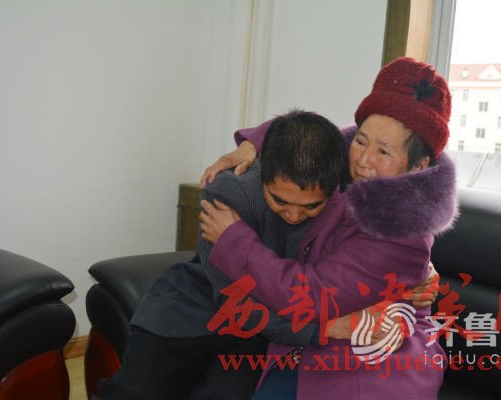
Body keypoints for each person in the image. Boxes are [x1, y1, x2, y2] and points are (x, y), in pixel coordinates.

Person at [97, 110, 434, 400]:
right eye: (279, 201)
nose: (294, 216)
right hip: (197, 306)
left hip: (258, 334)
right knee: (135, 391)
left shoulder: (348, 195)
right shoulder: (228, 193)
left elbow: (361, 260)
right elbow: (234, 302)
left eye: (310, 207)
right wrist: (324, 330)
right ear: (263, 171)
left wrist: (419, 271)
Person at [198, 56, 457, 399]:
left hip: (368, 365)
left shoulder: (404, 232)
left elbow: (309, 295)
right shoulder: (348, 160)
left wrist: (234, 241)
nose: (363, 160)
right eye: (361, 141)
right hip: (310, 344)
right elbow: (308, 137)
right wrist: (253, 143)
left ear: (419, 166)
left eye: (383, 152)